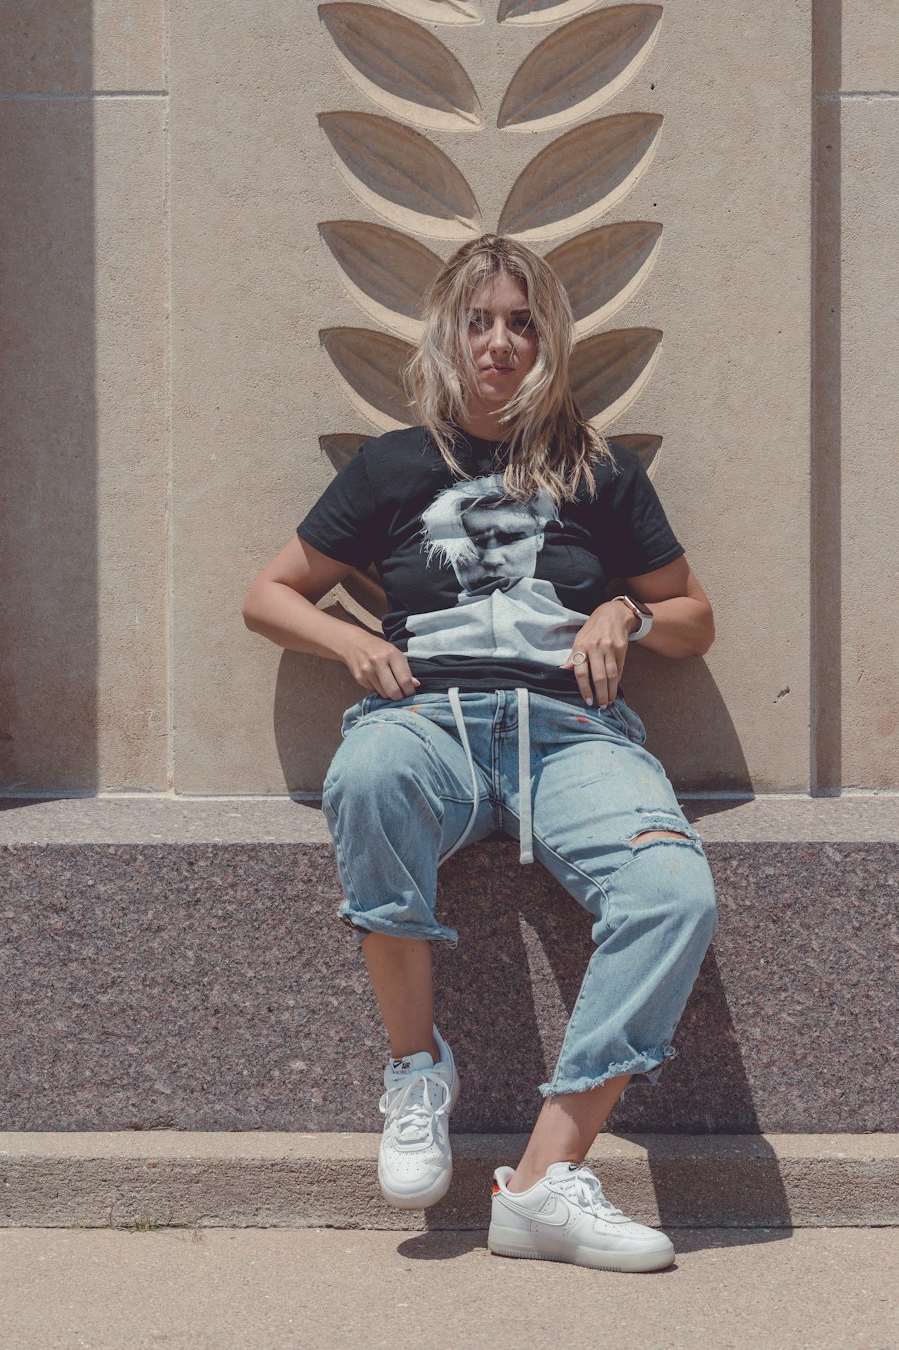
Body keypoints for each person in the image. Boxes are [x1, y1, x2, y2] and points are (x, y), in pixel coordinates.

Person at [242, 234, 718, 1274]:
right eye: (480, 321)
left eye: (522, 321)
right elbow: (268, 596)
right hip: (430, 727)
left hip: (572, 734)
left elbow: (694, 617)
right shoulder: (396, 465)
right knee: (364, 775)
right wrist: (354, 640)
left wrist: (625, 611)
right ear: (448, 336)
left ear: (548, 339)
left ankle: (545, 1183)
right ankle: (417, 1071)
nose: (500, 343)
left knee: (672, 889)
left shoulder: (596, 467)